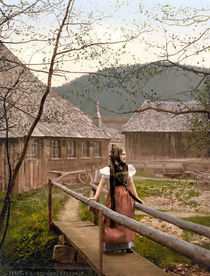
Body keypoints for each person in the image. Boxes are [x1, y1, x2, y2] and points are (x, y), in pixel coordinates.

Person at [88, 144, 142, 253]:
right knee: (111, 220)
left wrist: (136, 197)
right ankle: (110, 245)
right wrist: (95, 197)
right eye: (122, 154)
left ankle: (126, 245)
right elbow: (101, 185)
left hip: (126, 198)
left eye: (125, 154)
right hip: (114, 198)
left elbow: (131, 184)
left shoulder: (127, 168)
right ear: (117, 156)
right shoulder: (109, 170)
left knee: (127, 220)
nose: (125, 156)